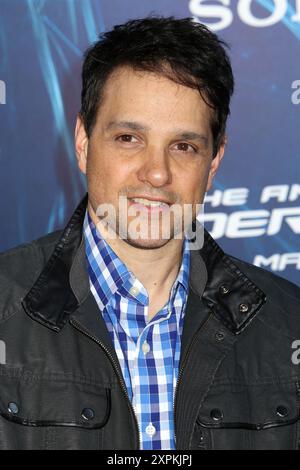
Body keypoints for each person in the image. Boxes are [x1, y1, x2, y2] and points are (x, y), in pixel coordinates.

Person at [0, 16, 300, 451]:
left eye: (184, 146)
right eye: (128, 137)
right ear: (83, 141)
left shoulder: (288, 325)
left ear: (214, 161)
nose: (156, 173)